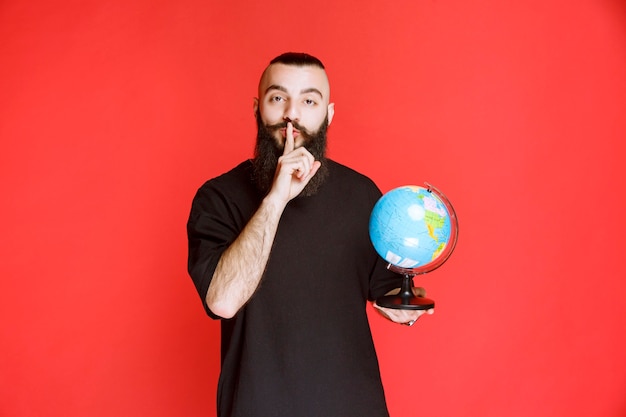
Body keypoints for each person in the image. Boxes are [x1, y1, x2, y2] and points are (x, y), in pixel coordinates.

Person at [187, 52, 433, 417]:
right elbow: (222, 301)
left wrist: (406, 306)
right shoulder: (218, 197)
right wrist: (275, 199)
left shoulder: (361, 193)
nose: (292, 114)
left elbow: (387, 291)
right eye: (277, 98)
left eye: (308, 100)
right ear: (258, 109)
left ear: (328, 114)